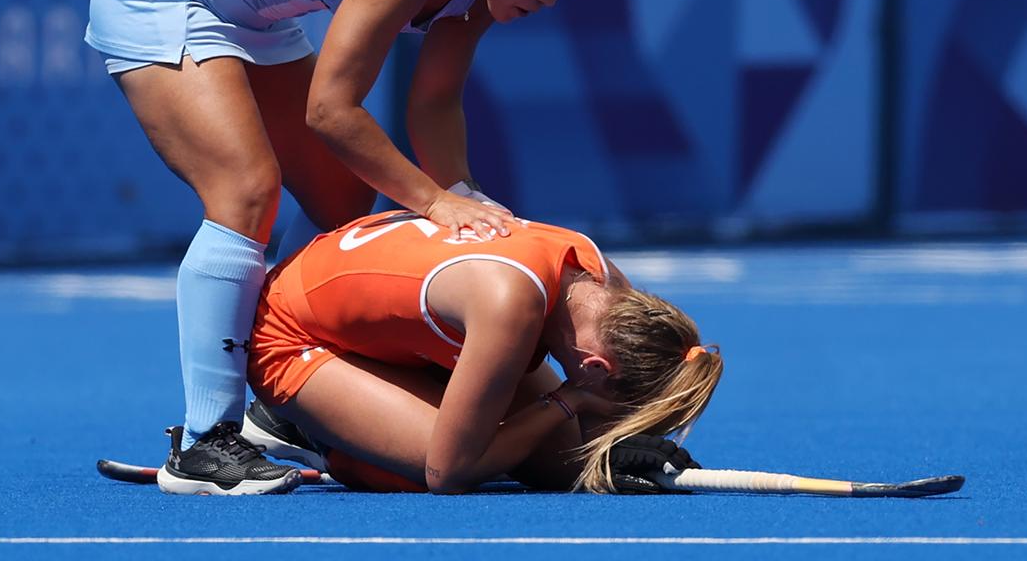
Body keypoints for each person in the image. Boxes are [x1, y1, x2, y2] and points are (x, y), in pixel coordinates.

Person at [84, 0, 597, 494]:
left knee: (344, 194)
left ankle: (278, 407)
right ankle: (207, 445)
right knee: (245, 193)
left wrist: (465, 197)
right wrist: (438, 205)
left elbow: (435, 104)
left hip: (250, 17)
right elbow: (331, 112)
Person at [241, 210, 724, 493]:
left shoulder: (605, 282)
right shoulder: (511, 309)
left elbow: (568, 459)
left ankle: (356, 408)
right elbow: (447, 472)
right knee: (452, 465)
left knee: (554, 464)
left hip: (388, 332)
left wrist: (610, 456)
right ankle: (306, 428)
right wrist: (568, 402)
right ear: (596, 368)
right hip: (289, 333)